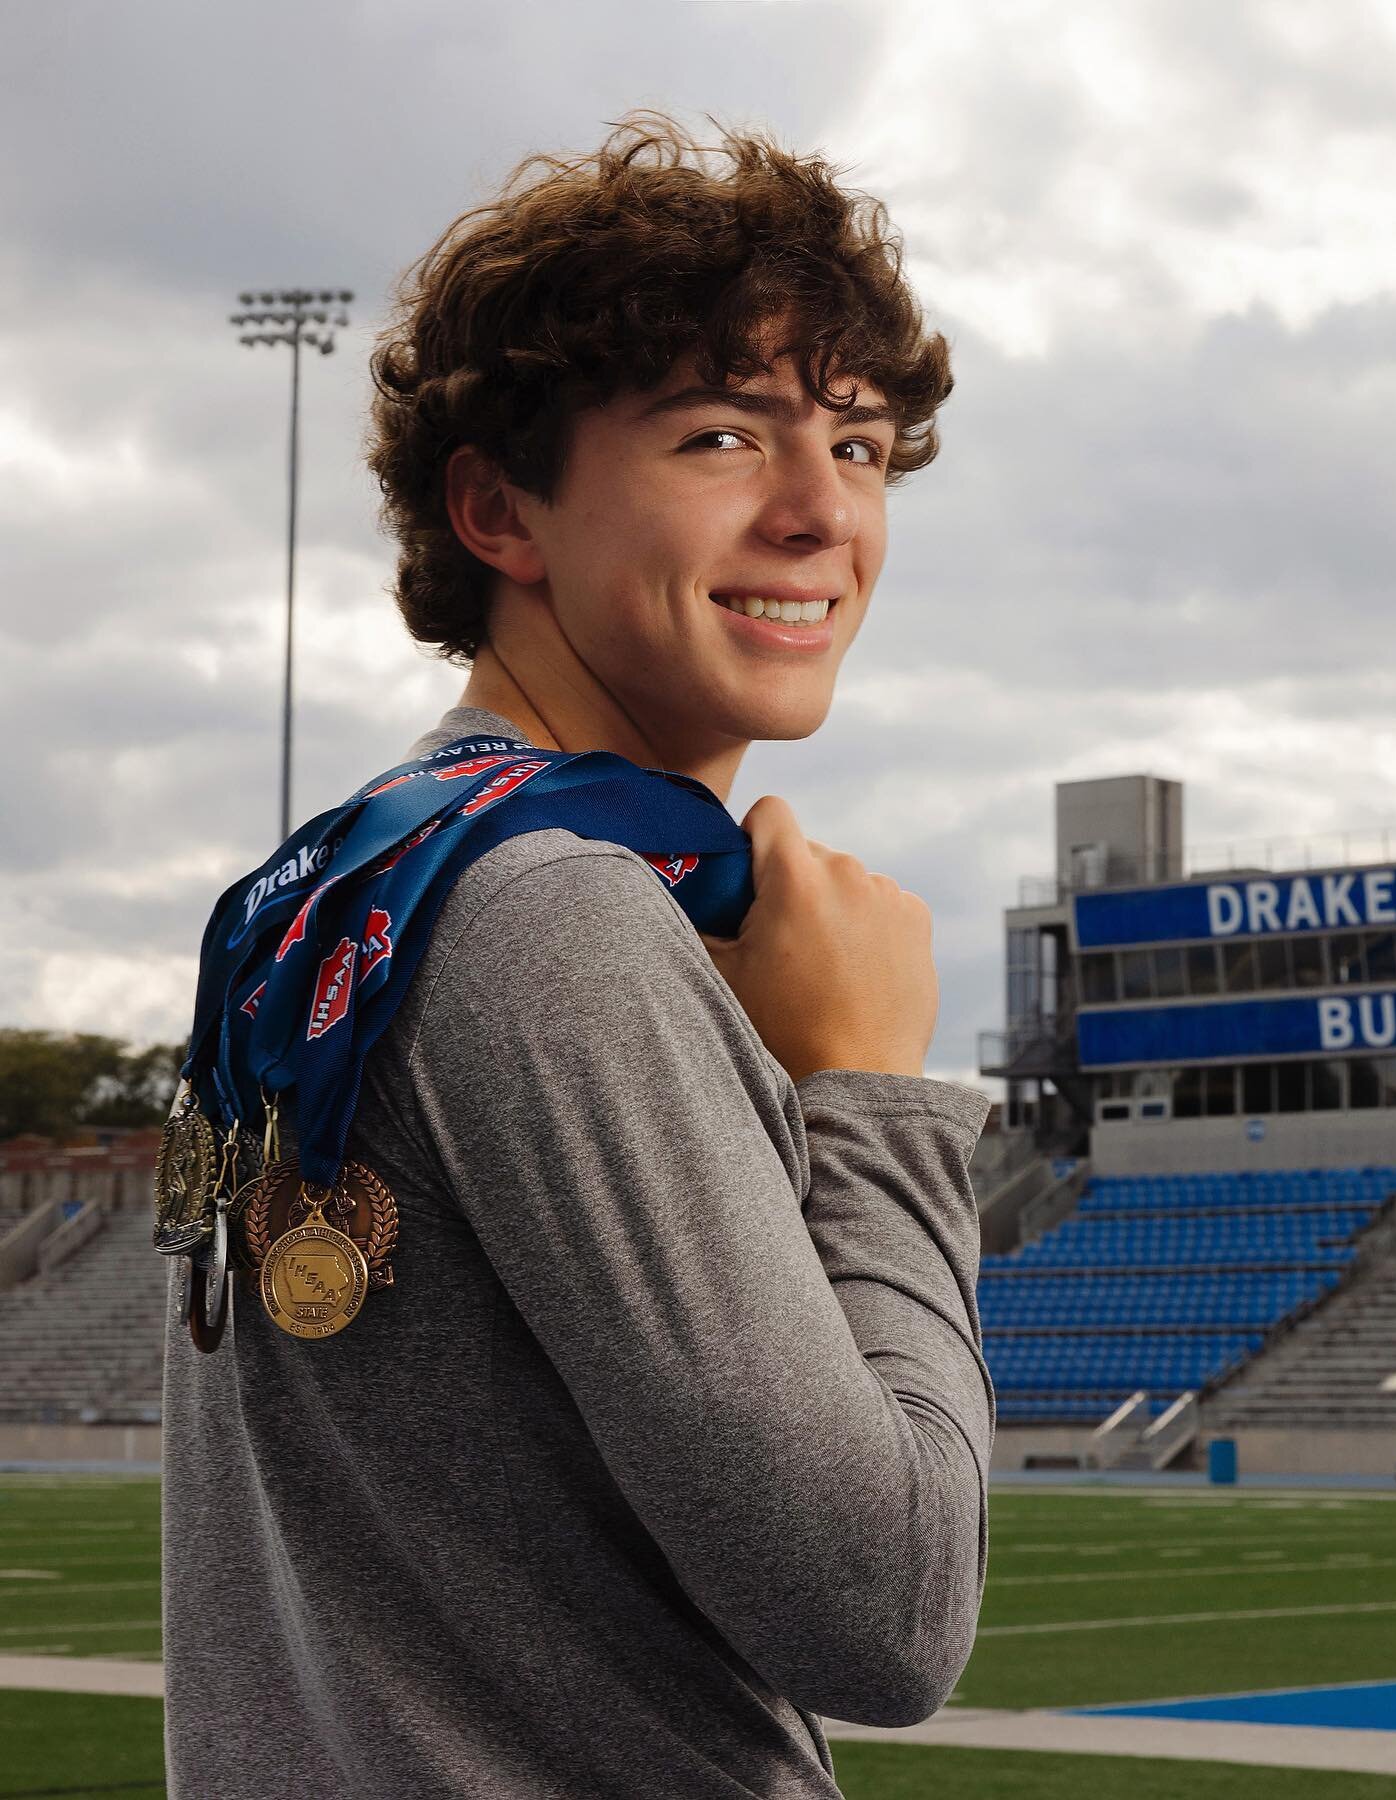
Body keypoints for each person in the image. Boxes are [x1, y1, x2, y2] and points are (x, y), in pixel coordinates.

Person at [161, 113, 994, 1799]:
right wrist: (873, 1090)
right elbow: (887, 1614)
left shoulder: (347, 883)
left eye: (861, 444)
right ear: (498, 509)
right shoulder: (562, 914)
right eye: (718, 437)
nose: (818, 514)